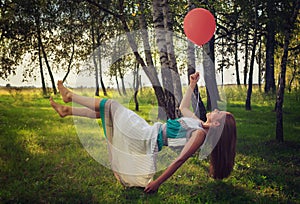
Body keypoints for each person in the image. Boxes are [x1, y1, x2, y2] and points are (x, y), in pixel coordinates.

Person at [50, 72, 237, 193]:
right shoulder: (197, 124)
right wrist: (192, 85)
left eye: (219, 112)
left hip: (145, 138)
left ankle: (70, 97)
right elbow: (183, 107)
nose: (215, 110)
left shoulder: (199, 135)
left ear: (217, 123)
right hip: (148, 131)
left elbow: (179, 160)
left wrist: (158, 182)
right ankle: (68, 111)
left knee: (111, 105)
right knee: (107, 112)